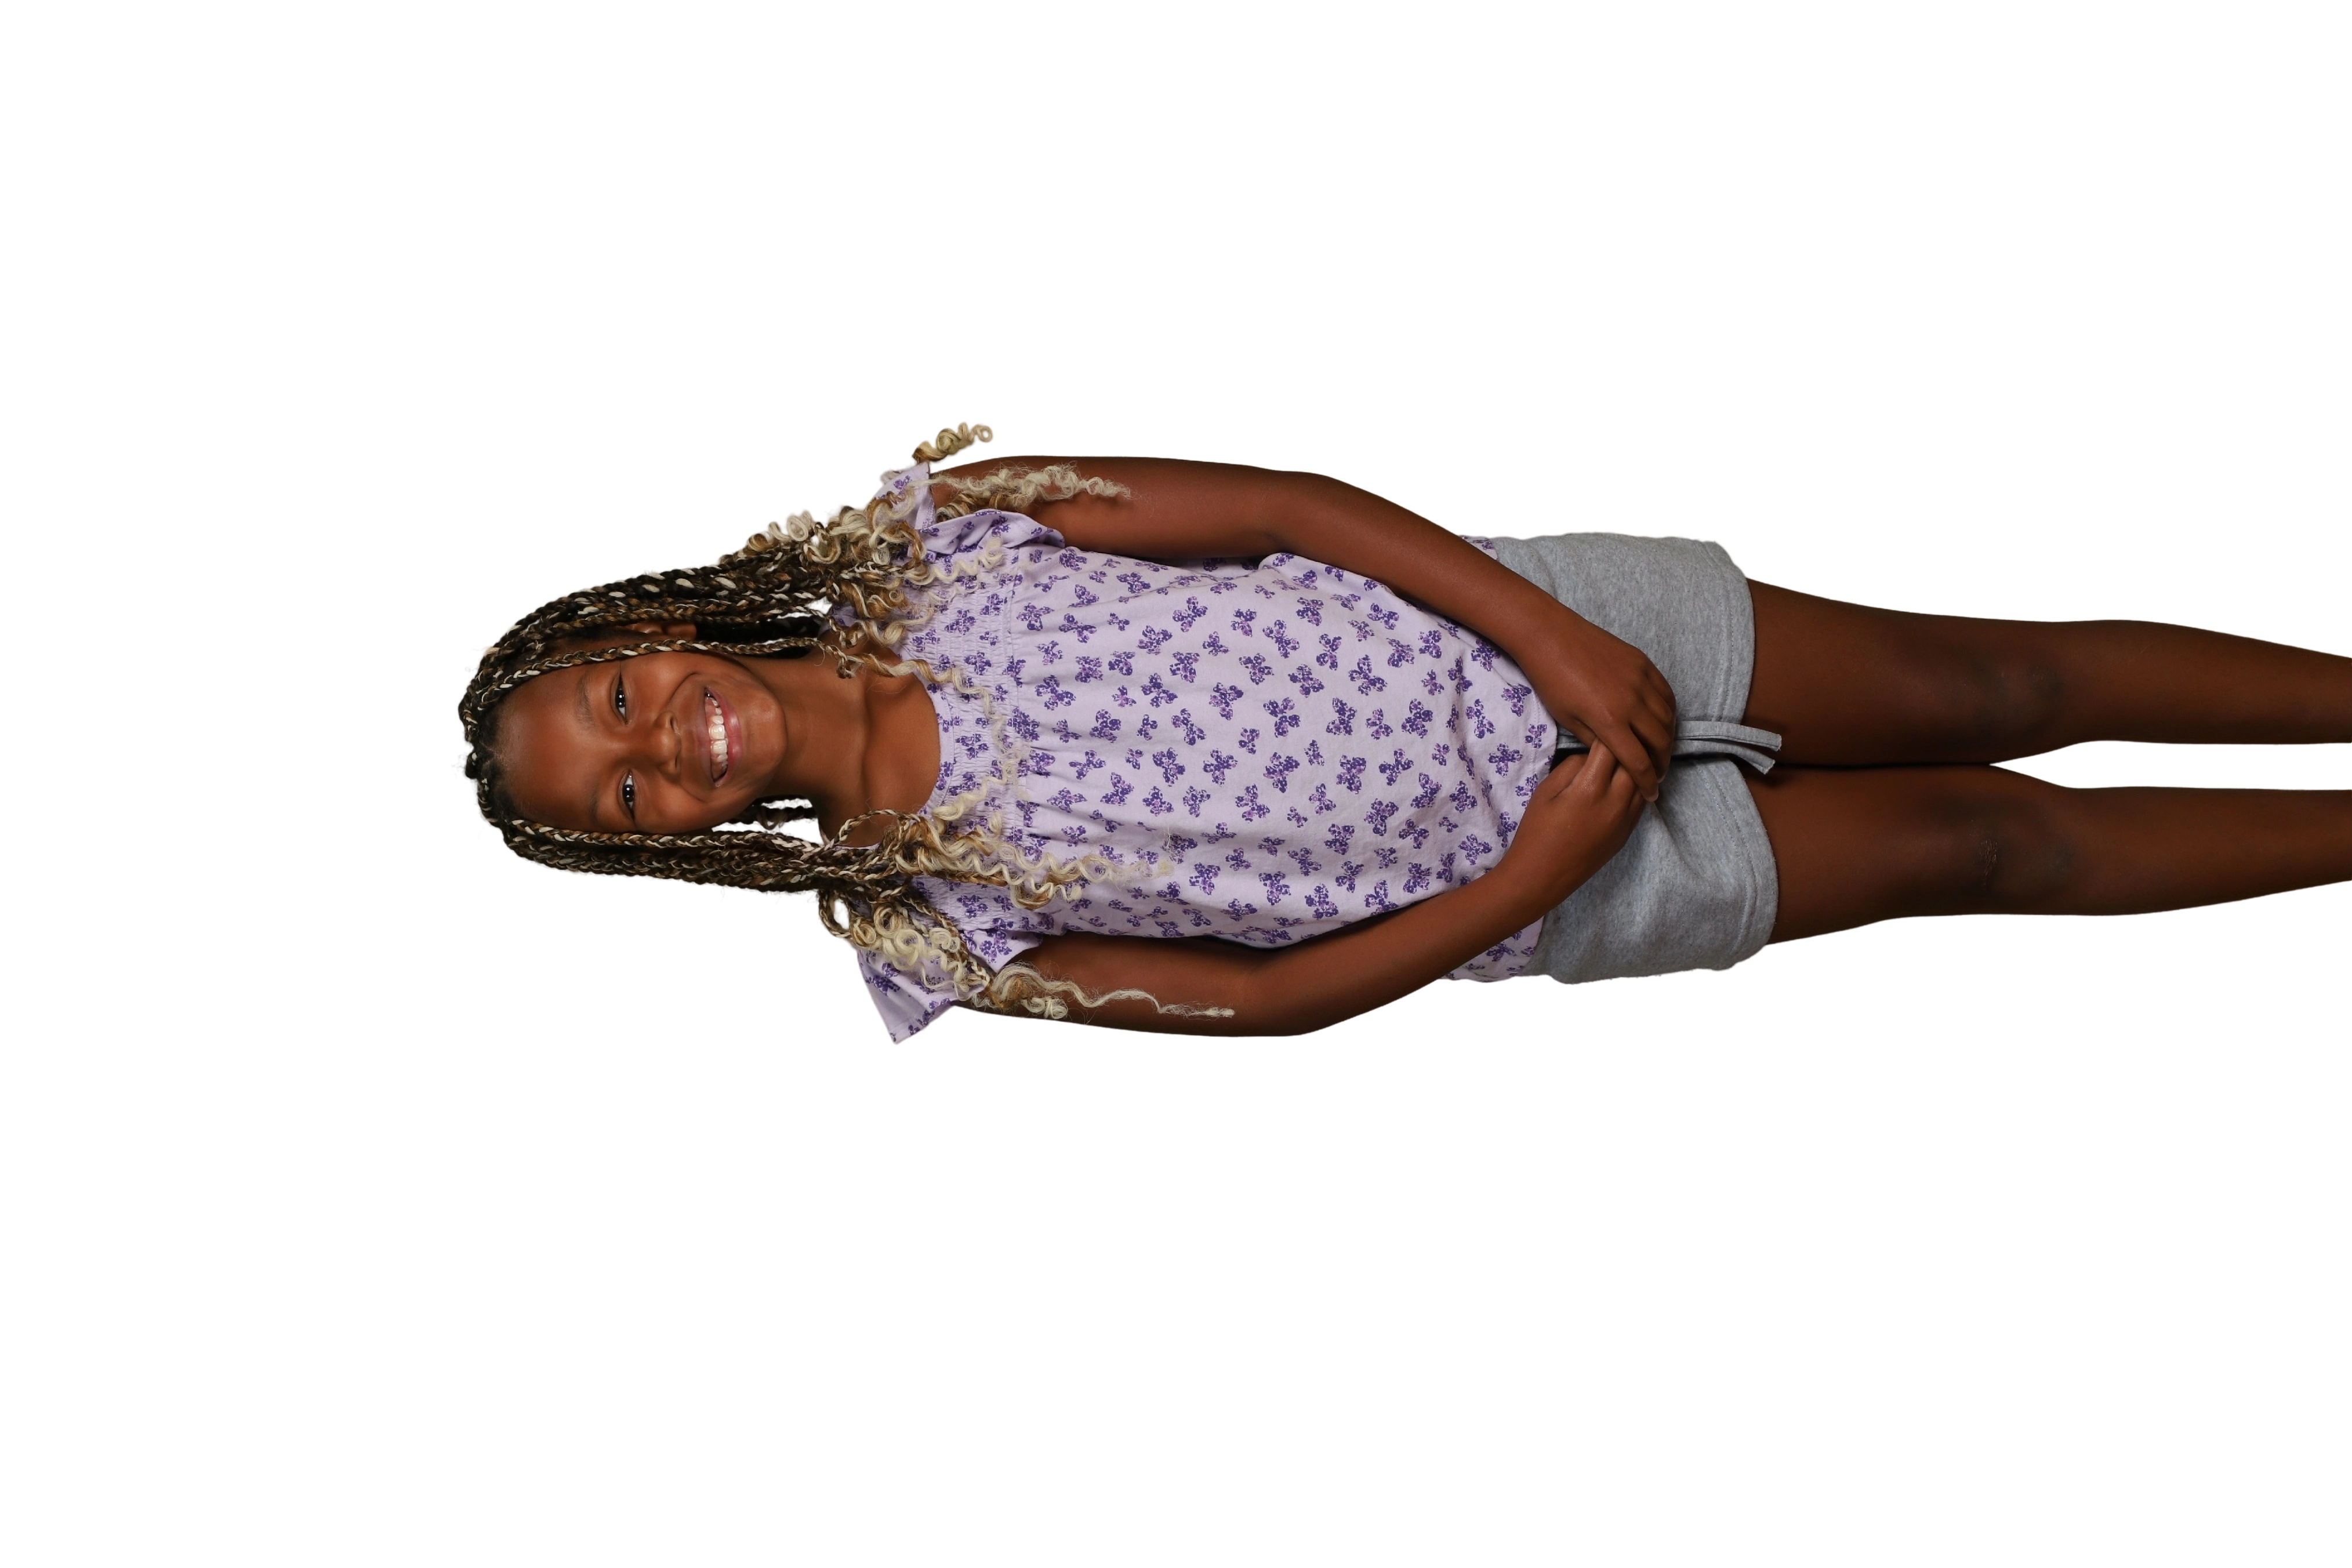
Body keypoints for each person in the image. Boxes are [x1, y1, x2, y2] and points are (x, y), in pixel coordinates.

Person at [451, 419, 2352, 1044]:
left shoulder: (939, 533)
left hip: (1562, 637)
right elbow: (1265, 1002)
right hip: (1559, 883)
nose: (666, 749)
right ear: (658, 845)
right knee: (1985, 845)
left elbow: (1282, 508)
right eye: (625, 798)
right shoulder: (928, 933)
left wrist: (1551, 634)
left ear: (645, 632)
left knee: (1991, 689)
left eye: (619, 702)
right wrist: (1540, 876)